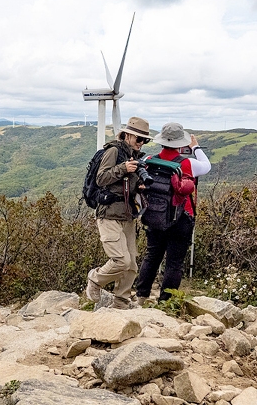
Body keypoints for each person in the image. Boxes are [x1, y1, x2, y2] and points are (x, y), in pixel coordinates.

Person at [135, 123, 211, 304]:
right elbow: (207, 166)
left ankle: (141, 297)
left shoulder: (149, 161)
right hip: (180, 218)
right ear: (180, 143)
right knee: (174, 262)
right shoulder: (187, 163)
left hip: (155, 215)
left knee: (152, 256)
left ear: (161, 141)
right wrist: (196, 148)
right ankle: (166, 301)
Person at [86, 116, 150, 310]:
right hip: (109, 214)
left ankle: (121, 302)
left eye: (145, 140)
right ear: (128, 135)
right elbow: (101, 178)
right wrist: (123, 168)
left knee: (131, 265)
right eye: (139, 139)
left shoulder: (135, 156)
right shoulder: (114, 151)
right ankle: (95, 279)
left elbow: (125, 186)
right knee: (120, 261)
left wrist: (139, 186)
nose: (141, 143)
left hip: (127, 215)